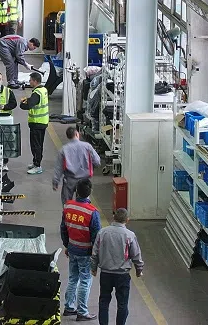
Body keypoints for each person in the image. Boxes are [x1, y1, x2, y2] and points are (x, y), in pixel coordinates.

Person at [91, 208, 144, 325]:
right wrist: (139, 269)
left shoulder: (102, 232)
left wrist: (93, 268)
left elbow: (95, 252)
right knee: (122, 304)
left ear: (113, 218)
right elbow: (136, 254)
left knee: (104, 301)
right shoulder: (130, 235)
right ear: (127, 220)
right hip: (122, 275)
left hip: (105, 274)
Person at [61, 178, 100, 321]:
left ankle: (69, 307)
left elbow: (63, 229)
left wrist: (67, 245)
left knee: (73, 278)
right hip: (86, 252)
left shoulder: (68, 207)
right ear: (89, 193)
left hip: (72, 249)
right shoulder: (92, 212)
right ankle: (82, 312)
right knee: (85, 281)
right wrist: (95, 255)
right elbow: (97, 237)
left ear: (76, 191)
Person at [52, 127, 101, 205]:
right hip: (84, 181)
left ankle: (68, 215)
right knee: (84, 204)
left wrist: (55, 182)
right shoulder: (87, 146)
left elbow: (59, 168)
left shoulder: (63, 149)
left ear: (68, 136)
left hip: (69, 181)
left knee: (67, 204)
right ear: (77, 134)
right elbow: (97, 162)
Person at [19, 71, 48, 174]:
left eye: (30, 80)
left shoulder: (36, 93)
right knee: (39, 144)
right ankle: (36, 163)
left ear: (35, 81)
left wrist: (22, 104)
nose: (29, 82)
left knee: (36, 145)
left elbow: (29, 105)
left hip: (37, 123)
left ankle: (37, 165)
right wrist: (28, 99)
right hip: (42, 122)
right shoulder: (43, 90)